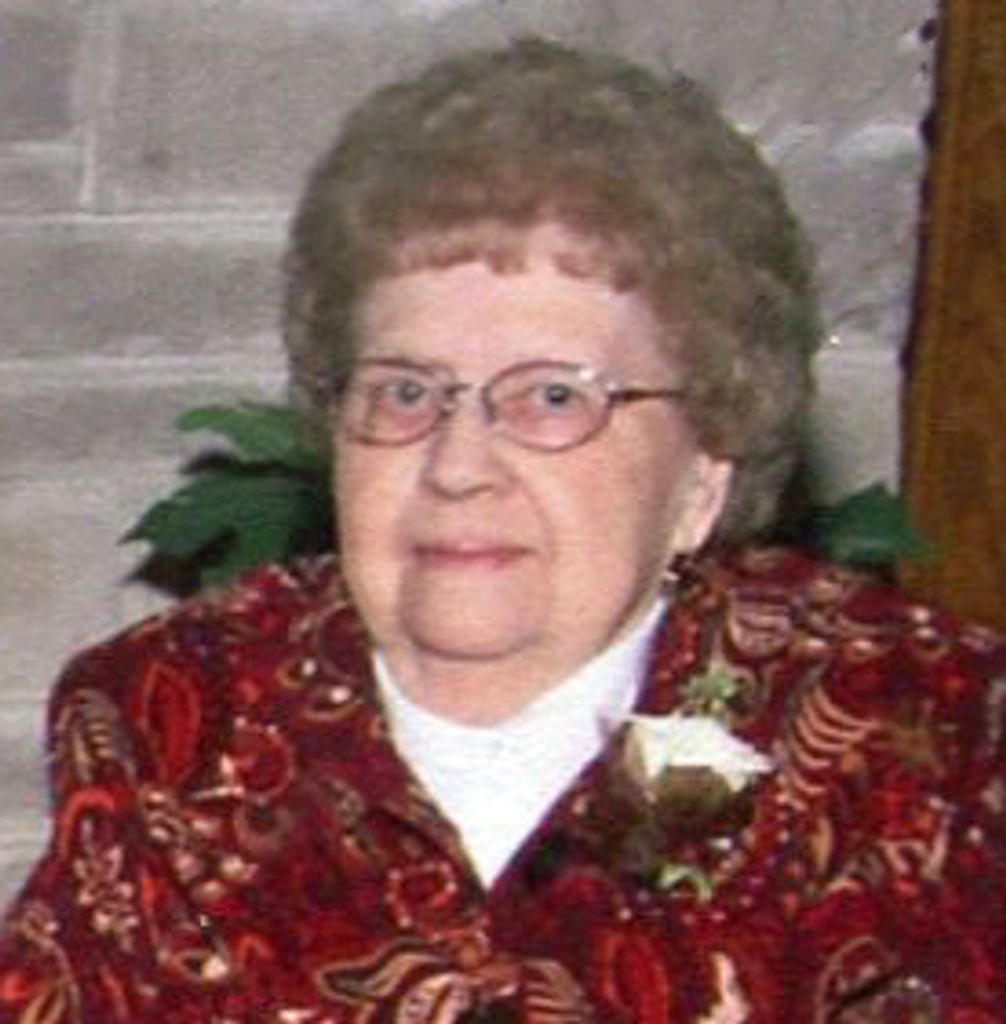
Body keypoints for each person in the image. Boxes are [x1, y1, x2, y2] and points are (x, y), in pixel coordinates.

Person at [1, 38, 1003, 1024]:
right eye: (405, 392)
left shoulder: (909, 732)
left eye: (553, 396)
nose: (458, 464)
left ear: (704, 470)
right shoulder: (177, 716)